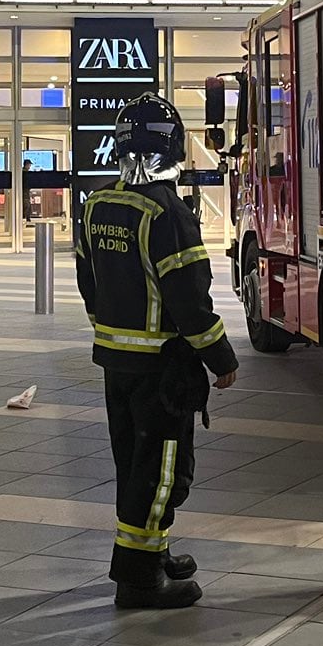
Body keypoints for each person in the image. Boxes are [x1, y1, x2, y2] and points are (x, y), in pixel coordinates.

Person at [75, 93, 237, 611]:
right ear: (174, 148)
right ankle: (140, 577)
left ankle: (155, 550)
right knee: (164, 468)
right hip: (162, 368)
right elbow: (189, 299)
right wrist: (221, 358)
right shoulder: (168, 213)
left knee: (133, 461)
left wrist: (110, 328)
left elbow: (88, 282)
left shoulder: (97, 206)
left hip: (115, 361)